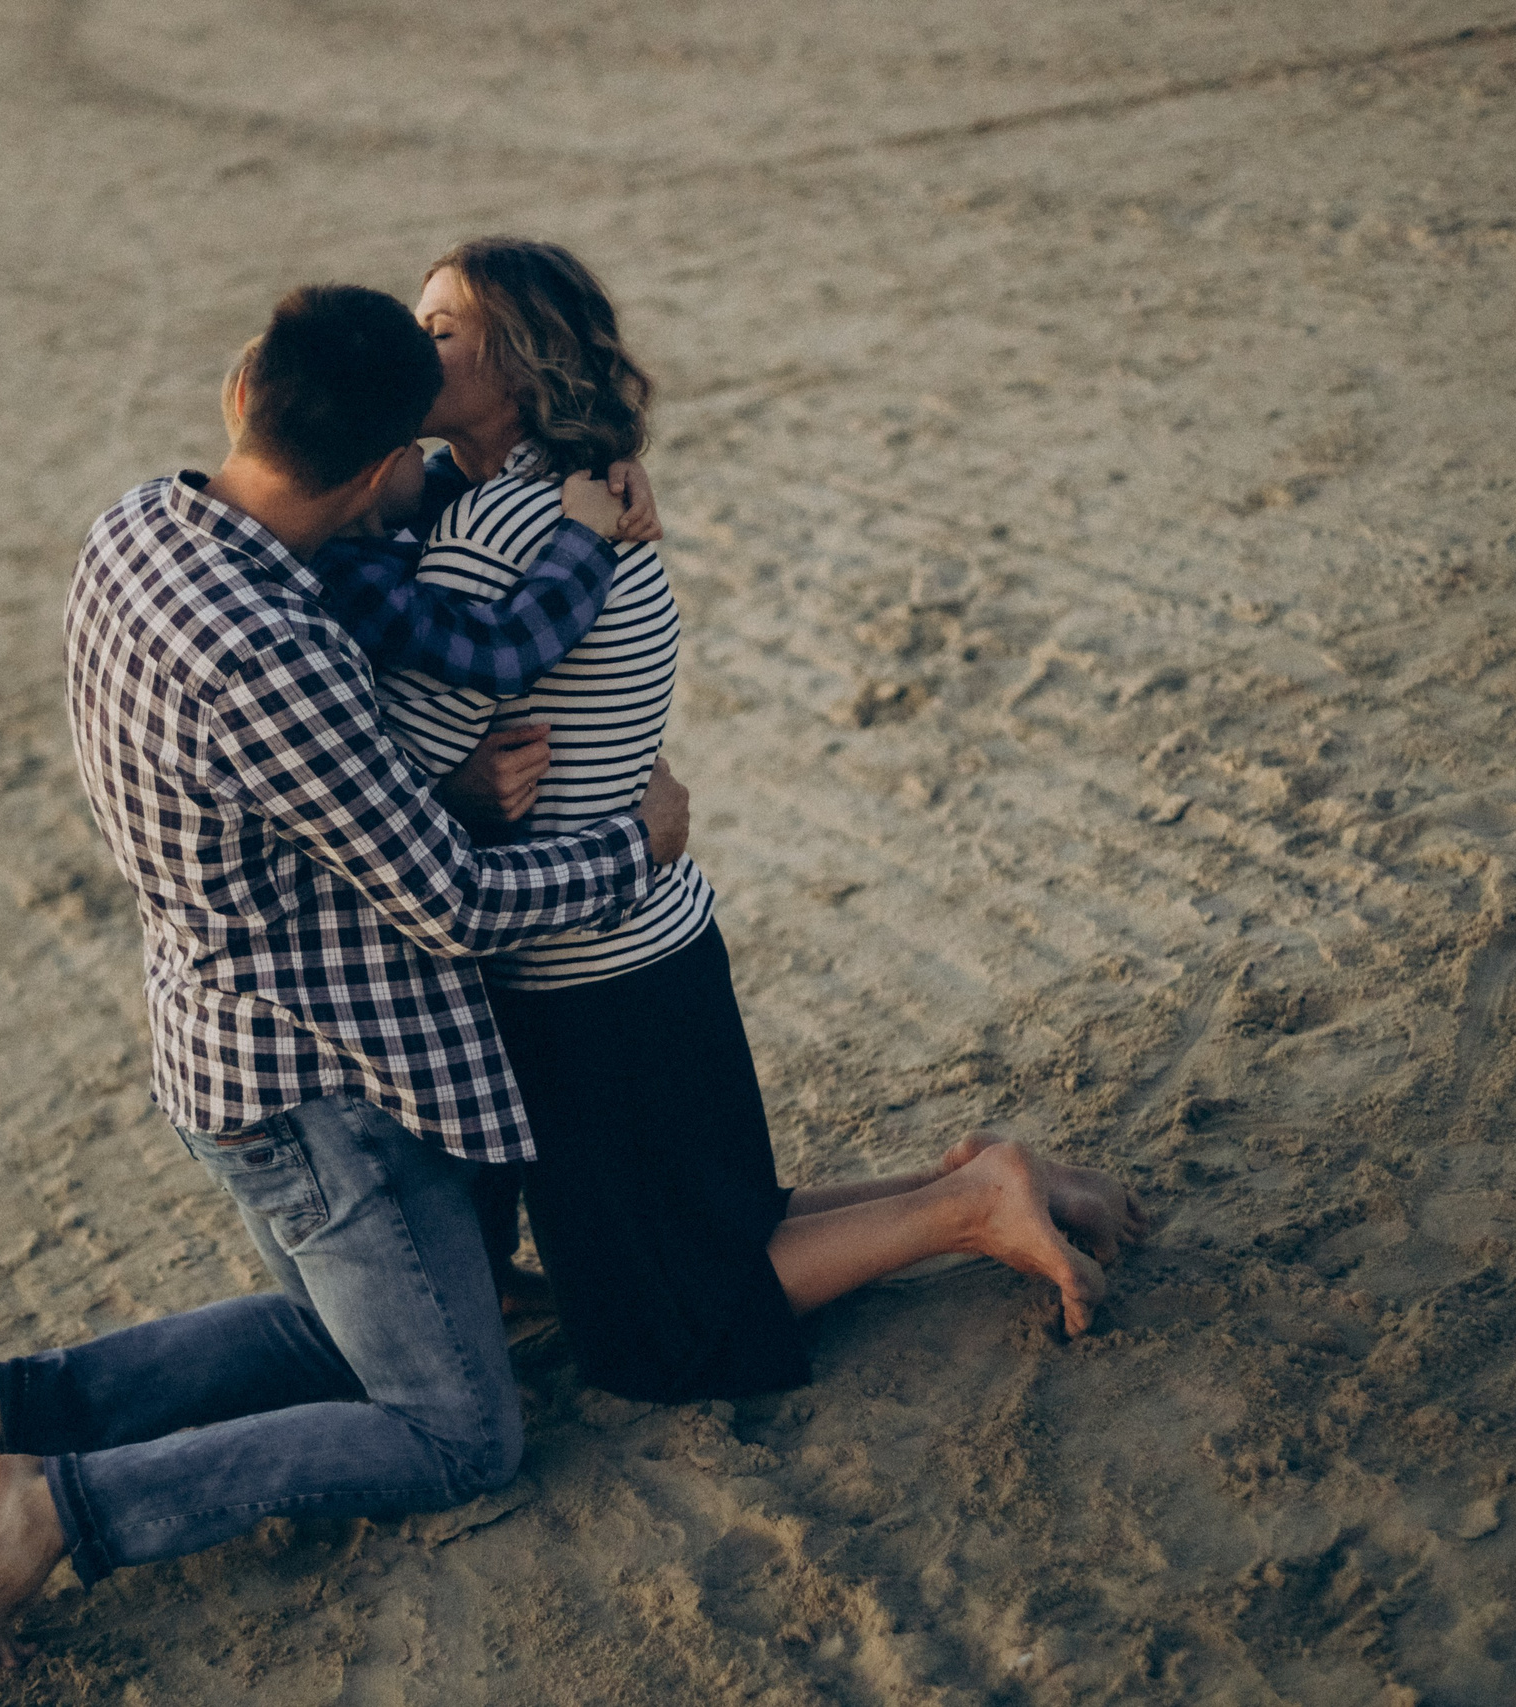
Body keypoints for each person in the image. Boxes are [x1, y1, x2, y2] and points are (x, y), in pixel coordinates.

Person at [0, 283, 693, 1676]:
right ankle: (64, 1499)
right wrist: (630, 847)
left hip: (211, 1034)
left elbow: (275, 804)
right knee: (461, 1429)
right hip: (320, 1082)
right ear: (387, 470)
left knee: (350, 1335)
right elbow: (446, 903)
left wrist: (433, 782)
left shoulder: (143, 522)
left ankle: (5, 1400)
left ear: (242, 395)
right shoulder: (276, 648)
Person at [373, 237, 1150, 1403]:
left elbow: (389, 768)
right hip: (658, 939)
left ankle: (968, 1206)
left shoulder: (490, 537)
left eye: (440, 328)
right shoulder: (579, 494)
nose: (410, 342)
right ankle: (991, 1178)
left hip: (581, 973)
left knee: (667, 1326)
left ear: (521, 362)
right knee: (721, 1221)